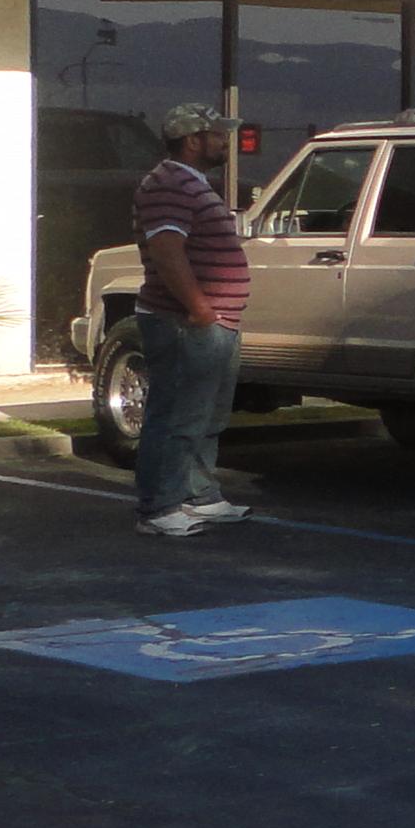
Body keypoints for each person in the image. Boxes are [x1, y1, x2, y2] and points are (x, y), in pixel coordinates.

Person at [129, 101, 254, 537]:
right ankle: (159, 507)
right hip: (185, 322)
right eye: (218, 135)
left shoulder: (191, 183)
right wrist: (199, 307)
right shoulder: (169, 184)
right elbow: (166, 249)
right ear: (193, 140)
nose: (226, 142)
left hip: (215, 322)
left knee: (206, 414)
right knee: (177, 414)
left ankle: (199, 495)